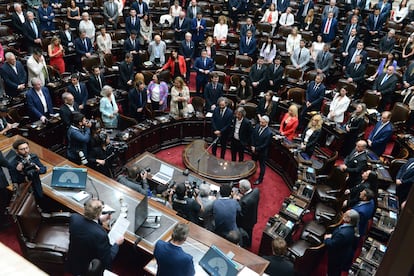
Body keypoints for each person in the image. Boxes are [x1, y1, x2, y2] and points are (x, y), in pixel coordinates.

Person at [66, 198, 124, 275]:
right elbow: (108, 259)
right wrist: (117, 244)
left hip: (72, 259)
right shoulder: (101, 234)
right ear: (99, 213)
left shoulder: (74, 218)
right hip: (85, 268)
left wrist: (99, 220)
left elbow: (88, 226)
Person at [10, 139, 47, 207]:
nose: (26, 151)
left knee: (41, 202)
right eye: (22, 149)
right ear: (16, 151)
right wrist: (19, 171)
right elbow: (15, 181)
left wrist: (38, 169)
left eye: (27, 148)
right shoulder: (13, 163)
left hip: (37, 186)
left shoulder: (33, 157)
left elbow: (44, 169)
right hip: (26, 190)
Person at [324, 209, 360, 276]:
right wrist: (333, 236)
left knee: (332, 271)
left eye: (345, 214)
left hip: (336, 257)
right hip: (343, 253)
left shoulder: (343, 233)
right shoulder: (352, 228)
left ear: (349, 219)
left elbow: (331, 245)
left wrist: (326, 239)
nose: (343, 214)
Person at [235, 179, 259, 247]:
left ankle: (245, 245)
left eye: (240, 188)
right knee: (250, 232)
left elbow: (241, 215)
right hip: (253, 218)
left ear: (243, 189)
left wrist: (237, 202)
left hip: (246, 222)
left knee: (246, 233)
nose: (239, 189)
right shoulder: (256, 191)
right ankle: (249, 243)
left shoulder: (244, 202)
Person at [251, 115, 273, 184]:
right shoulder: (257, 126)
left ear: (266, 123)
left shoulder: (269, 133)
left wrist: (256, 148)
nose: (260, 124)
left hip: (262, 152)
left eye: (262, 123)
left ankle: (260, 179)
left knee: (262, 166)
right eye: (260, 122)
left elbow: (265, 144)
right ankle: (251, 173)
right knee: (252, 163)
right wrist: (252, 146)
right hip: (254, 149)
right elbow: (253, 136)